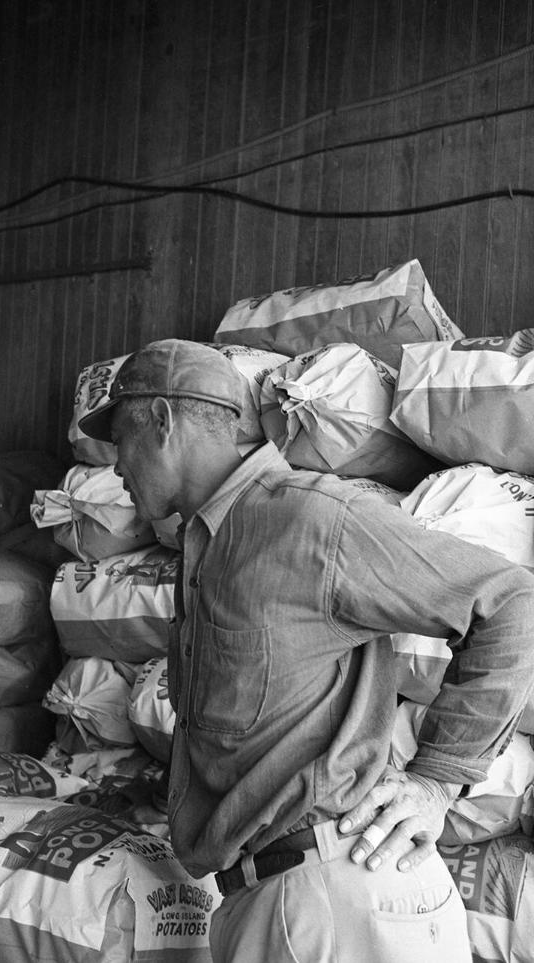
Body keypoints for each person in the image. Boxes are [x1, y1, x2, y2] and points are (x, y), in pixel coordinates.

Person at [80, 337, 534, 963]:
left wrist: (437, 779)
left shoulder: (310, 519)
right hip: (272, 903)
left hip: (337, 899)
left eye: (122, 441)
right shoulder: (207, 545)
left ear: (162, 422)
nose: (117, 468)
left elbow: (511, 600)